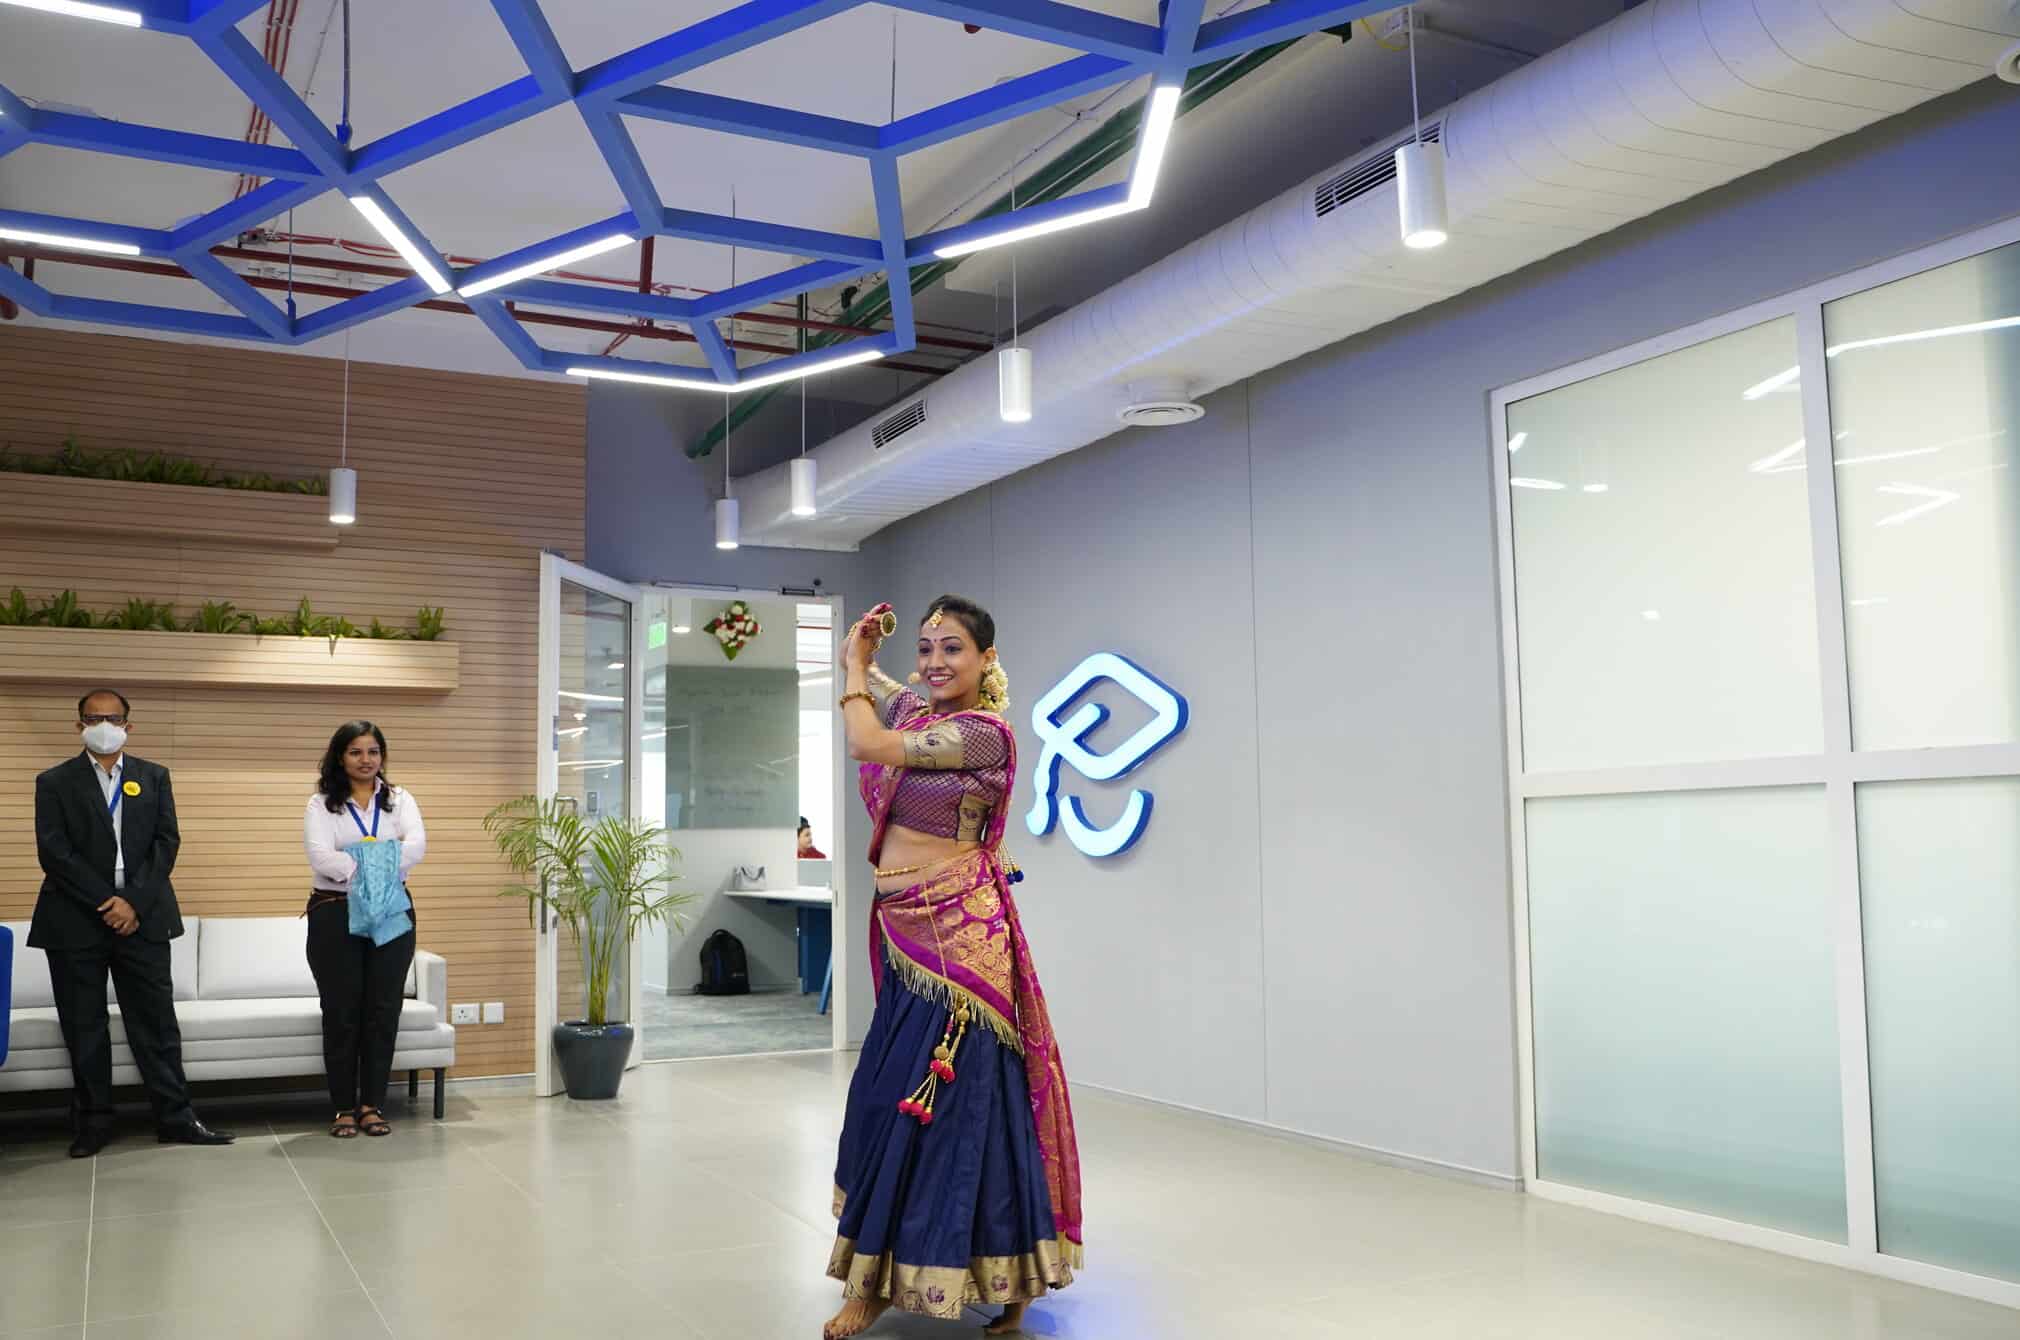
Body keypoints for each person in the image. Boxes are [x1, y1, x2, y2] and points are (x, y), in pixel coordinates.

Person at [824, 597, 1081, 1339]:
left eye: (955, 649)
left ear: (987, 660)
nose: (936, 662)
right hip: (908, 936)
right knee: (882, 1097)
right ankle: (875, 1272)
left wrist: (851, 669)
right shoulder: (921, 712)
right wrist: (863, 653)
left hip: (960, 945)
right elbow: (880, 690)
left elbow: (868, 744)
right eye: (929, 647)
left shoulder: (981, 735)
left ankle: (1003, 1282)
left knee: (954, 1107)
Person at [31, 689, 234, 1157]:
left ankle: (176, 1118)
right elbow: (53, 851)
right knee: (84, 1025)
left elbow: (167, 842)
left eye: (113, 717)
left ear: (129, 725)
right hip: (76, 917)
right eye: (93, 717)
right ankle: (94, 1122)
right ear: (78, 724)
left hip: (143, 917)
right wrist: (107, 900)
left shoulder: (154, 777)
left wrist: (133, 903)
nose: (103, 724)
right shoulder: (54, 781)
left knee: (157, 1023)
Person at [302, 720, 425, 1139]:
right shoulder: (321, 804)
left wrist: (361, 861)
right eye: (356, 752)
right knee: (341, 1012)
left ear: (382, 757)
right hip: (335, 911)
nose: (365, 760)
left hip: (391, 910)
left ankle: (372, 1104)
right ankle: (342, 1107)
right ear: (341, 757)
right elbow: (321, 857)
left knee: (382, 1010)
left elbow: (417, 846)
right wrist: (378, 863)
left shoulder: (399, 800)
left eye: (373, 752)